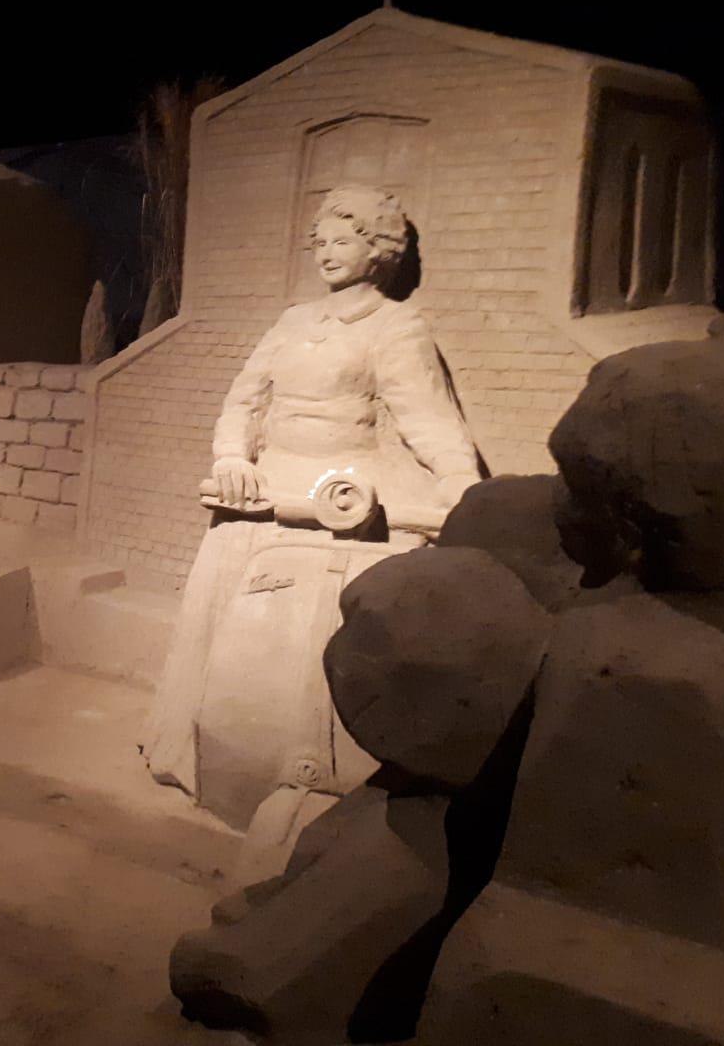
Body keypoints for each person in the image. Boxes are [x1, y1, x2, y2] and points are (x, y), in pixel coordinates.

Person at [143, 186, 481, 843]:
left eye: (342, 241)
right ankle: (199, 755)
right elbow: (243, 399)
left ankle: (301, 775)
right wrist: (231, 456)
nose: (326, 253)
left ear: (378, 251)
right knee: (228, 620)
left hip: (337, 491)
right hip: (265, 487)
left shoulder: (395, 327)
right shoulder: (292, 322)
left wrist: (460, 480)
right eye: (320, 242)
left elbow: (425, 415)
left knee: (308, 637)